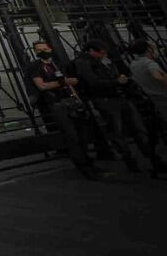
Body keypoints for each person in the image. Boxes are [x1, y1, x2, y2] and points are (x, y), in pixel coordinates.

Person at [72, 39, 160, 173]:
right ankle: (130, 161)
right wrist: (116, 81)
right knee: (117, 131)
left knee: (138, 128)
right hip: (105, 99)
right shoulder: (83, 62)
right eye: (101, 53)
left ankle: (152, 157)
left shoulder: (104, 60)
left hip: (119, 96)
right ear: (91, 51)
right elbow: (93, 82)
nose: (104, 55)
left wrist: (118, 77)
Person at [23, 40, 105, 180]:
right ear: (35, 52)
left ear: (49, 48)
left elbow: (67, 81)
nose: (43, 50)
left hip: (69, 101)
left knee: (81, 133)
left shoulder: (56, 64)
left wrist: (77, 98)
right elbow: (41, 86)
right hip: (55, 103)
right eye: (39, 49)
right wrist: (63, 83)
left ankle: (88, 161)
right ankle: (83, 166)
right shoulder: (36, 66)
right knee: (71, 135)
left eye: (45, 48)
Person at [126, 39, 167, 124]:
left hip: (154, 97)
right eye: (153, 47)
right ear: (149, 49)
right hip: (163, 94)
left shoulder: (133, 64)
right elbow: (158, 77)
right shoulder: (150, 63)